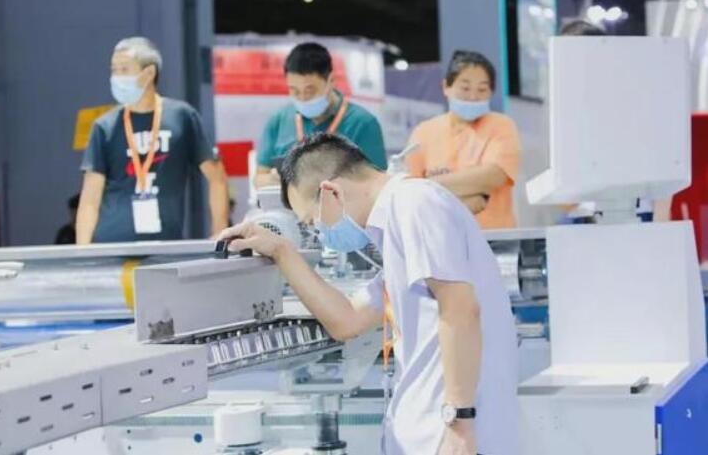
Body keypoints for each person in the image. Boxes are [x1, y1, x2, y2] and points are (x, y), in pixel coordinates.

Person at [220, 133, 519, 455]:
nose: (320, 233)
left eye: (312, 221)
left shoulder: (415, 203)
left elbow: (459, 309)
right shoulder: (396, 228)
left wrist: (458, 422)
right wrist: (282, 251)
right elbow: (348, 320)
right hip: (431, 435)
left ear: (330, 192)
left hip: (451, 438)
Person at [77, 37, 229, 244]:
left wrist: (220, 231)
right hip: (113, 246)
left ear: (149, 73)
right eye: (114, 70)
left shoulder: (182, 117)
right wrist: (83, 251)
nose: (116, 77)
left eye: (124, 69)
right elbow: (90, 198)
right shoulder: (105, 126)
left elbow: (217, 177)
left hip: (165, 245)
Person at [405, 50, 521, 229]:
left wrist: (428, 187)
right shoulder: (423, 132)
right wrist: (472, 194)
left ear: (491, 92)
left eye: (482, 89)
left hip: (492, 237)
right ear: (446, 87)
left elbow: (493, 177)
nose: (473, 97)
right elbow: (411, 194)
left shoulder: (501, 126)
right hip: (439, 235)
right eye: (465, 88)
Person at [254, 42, 387, 188]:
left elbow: (378, 182)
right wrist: (273, 179)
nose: (302, 98)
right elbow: (259, 179)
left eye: (309, 90)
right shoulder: (278, 121)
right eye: (294, 90)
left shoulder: (363, 124)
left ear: (331, 81)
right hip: (289, 202)